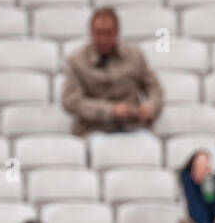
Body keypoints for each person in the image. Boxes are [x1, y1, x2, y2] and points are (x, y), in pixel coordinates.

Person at [61, 7, 163, 136]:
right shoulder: (77, 61)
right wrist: (110, 110)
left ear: (117, 32)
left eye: (108, 33)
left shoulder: (135, 56)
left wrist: (150, 107)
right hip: (93, 129)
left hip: (132, 126)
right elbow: (70, 101)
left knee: (147, 145)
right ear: (91, 33)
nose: (103, 39)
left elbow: (154, 88)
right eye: (98, 33)